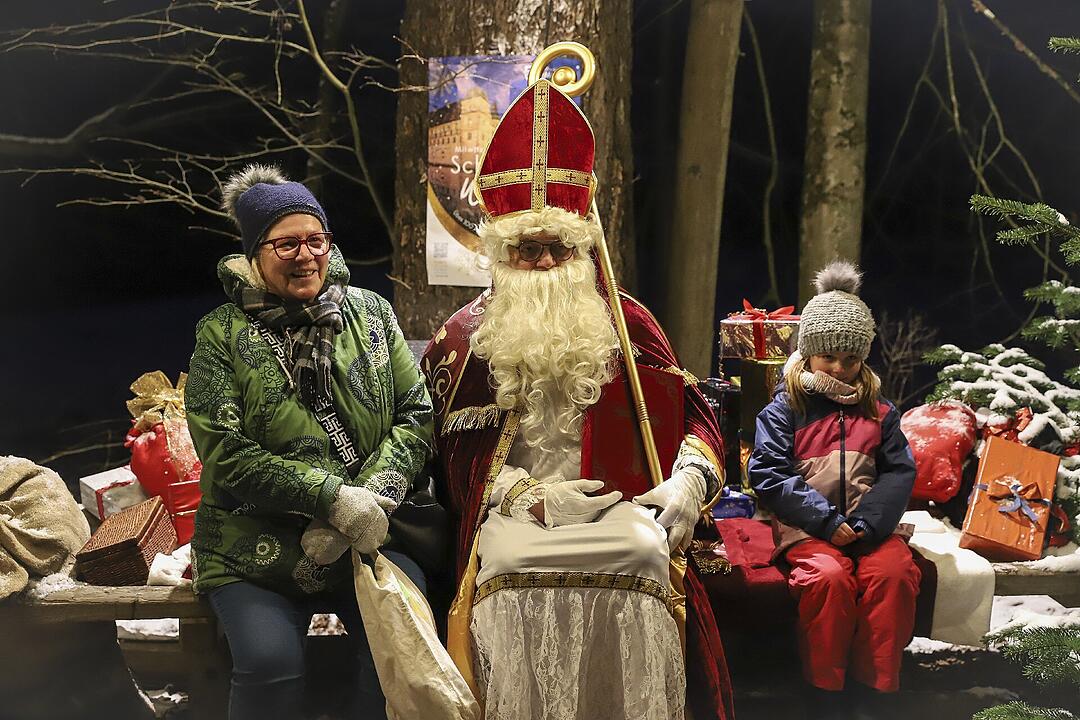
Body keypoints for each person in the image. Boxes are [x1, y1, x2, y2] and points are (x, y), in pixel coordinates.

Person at [421, 78, 734, 720]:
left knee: (645, 554)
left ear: (579, 248)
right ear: (503, 253)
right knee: (502, 570)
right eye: (526, 249)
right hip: (517, 519)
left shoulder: (627, 324)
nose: (540, 264)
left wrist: (688, 485)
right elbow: (453, 466)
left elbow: (696, 417)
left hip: (620, 509)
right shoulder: (463, 341)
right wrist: (530, 497)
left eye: (554, 248)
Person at [184, 165, 434, 720]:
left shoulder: (371, 313)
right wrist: (330, 497)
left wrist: (366, 499)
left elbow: (417, 413)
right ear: (255, 254)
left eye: (315, 239)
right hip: (252, 545)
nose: (306, 255)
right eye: (286, 243)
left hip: (366, 534)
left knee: (399, 646)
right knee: (271, 664)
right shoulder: (220, 334)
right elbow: (224, 450)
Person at [747, 261, 919, 717]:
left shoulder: (881, 411)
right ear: (807, 355)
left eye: (851, 359)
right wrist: (826, 521)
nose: (841, 369)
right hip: (809, 530)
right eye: (829, 357)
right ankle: (825, 691)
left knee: (894, 577)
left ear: (864, 358)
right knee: (828, 580)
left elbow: (899, 472)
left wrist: (866, 523)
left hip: (870, 528)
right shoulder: (786, 408)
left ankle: (876, 691)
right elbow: (767, 473)